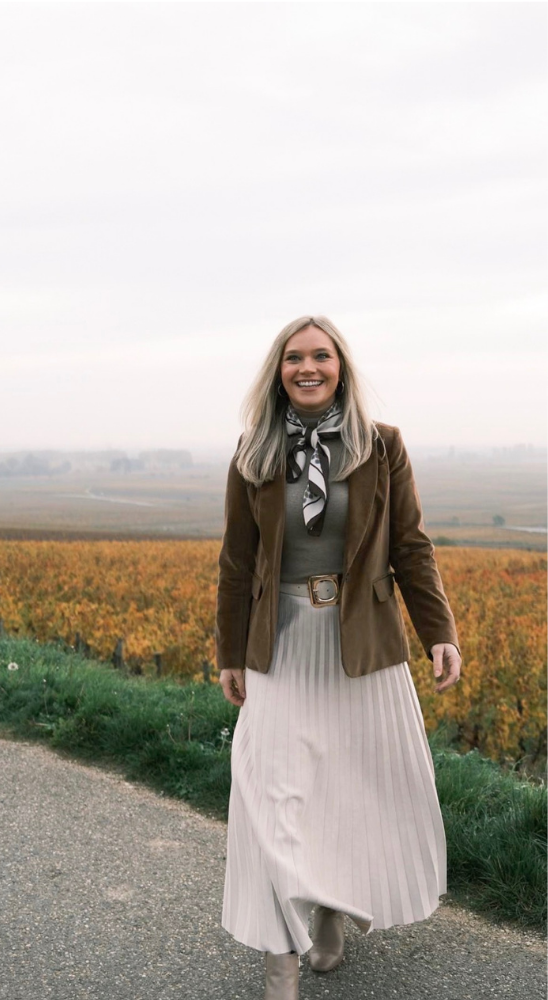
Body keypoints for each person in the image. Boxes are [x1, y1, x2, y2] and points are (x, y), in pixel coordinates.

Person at [216, 317, 460, 1000]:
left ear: (341, 367)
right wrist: (229, 652)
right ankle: (279, 959)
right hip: (282, 641)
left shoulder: (382, 447)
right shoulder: (253, 451)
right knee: (269, 793)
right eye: (294, 357)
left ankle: (328, 912)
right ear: (279, 371)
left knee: (343, 789)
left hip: (363, 643)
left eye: (320, 355)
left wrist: (439, 631)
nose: (307, 367)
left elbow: (412, 546)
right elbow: (237, 562)